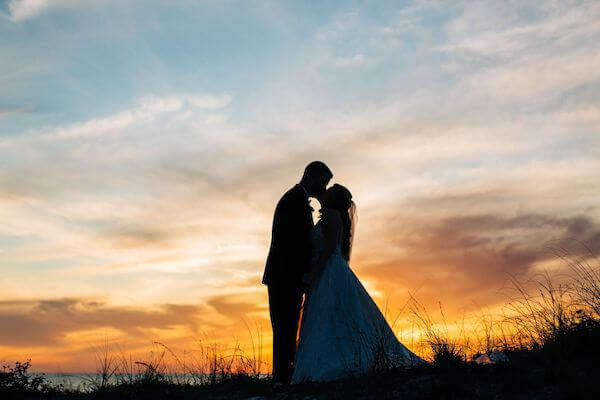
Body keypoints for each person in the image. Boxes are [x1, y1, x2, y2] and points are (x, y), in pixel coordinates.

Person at [291, 184, 424, 383]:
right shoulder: (335, 216)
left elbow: (328, 250)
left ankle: (328, 363)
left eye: (329, 190)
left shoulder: (330, 216)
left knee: (328, 316)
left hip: (328, 272)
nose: (324, 191)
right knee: (333, 316)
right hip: (333, 270)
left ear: (333, 198)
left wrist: (313, 274)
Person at [262, 161, 333, 384]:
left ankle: (283, 376)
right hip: (285, 277)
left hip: (286, 276)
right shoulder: (293, 201)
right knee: (284, 327)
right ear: (311, 176)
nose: (323, 188)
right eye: (323, 182)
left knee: (288, 327)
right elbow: (292, 244)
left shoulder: (297, 200)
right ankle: (282, 379)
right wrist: (302, 275)